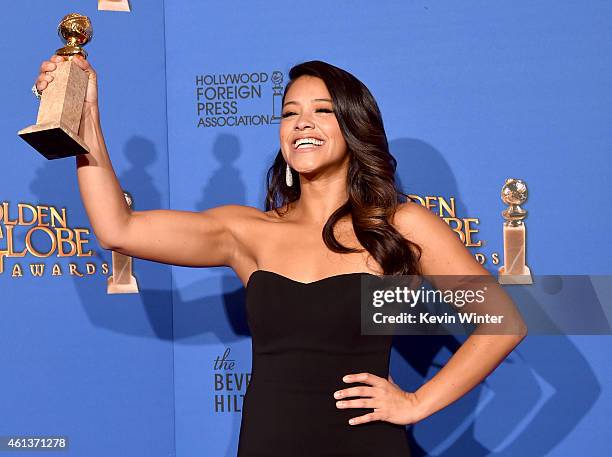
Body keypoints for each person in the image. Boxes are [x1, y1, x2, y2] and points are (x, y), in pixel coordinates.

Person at [34, 55, 527, 456]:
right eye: (290, 112)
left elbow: (504, 323)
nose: (301, 124)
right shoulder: (246, 231)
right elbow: (117, 229)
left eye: (321, 111)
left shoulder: (399, 225)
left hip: (365, 446)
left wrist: (417, 402)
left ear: (354, 125)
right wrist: (84, 115)